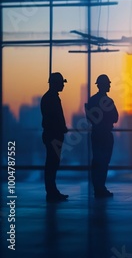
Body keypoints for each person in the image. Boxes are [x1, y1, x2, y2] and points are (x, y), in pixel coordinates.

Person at [86, 74, 118, 198]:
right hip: (105, 135)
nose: (110, 85)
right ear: (103, 85)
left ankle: (97, 188)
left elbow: (89, 117)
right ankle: (101, 187)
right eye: (108, 84)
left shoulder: (92, 100)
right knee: (104, 162)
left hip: (96, 134)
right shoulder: (108, 101)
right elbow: (115, 117)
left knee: (97, 161)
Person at [41, 72, 69, 202]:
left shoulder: (49, 97)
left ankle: (52, 190)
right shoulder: (51, 98)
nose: (63, 85)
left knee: (52, 163)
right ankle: (52, 191)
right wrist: (61, 128)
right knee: (52, 163)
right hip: (54, 135)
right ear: (55, 83)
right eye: (61, 83)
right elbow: (54, 118)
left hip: (52, 134)